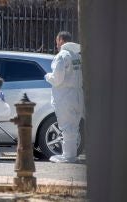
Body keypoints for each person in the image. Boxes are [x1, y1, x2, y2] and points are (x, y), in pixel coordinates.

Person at [45, 31, 84, 163]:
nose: (56, 43)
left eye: (57, 40)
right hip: (77, 94)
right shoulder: (77, 55)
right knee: (73, 126)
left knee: (66, 127)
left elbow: (57, 79)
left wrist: (47, 76)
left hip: (65, 96)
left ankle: (68, 156)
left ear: (61, 40)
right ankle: (71, 155)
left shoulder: (62, 56)